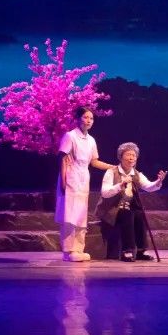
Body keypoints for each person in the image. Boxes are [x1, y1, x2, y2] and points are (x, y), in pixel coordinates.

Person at [56, 106, 115, 262]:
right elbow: (63, 159)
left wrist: (113, 167)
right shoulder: (70, 136)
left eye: (91, 118)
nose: (88, 121)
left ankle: (79, 249)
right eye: (85, 117)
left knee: (81, 215)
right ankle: (68, 251)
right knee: (70, 214)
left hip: (83, 178)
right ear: (78, 118)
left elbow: (94, 162)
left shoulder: (91, 140)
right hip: (71, 176)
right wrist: (63, 182)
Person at [98, 142, 167, 262]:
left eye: (134, 155)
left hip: (128, 208)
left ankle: (141, 250)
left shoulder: (136, 174)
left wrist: (158, 182)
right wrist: (120, 185)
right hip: (112, 210)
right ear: (121, 157)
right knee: (127, 213)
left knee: (139, 213)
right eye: (128, 155)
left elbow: (148, 187)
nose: (131, 158)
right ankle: (127, 251)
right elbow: (105, 193)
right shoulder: (111, 172)